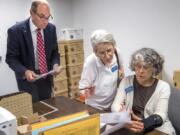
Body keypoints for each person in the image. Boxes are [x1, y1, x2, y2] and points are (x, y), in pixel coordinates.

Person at [6, 0, 61, 102]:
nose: (46, 21)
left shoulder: (51, 29)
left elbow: (54, 52)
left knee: (48, 108)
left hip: (46, 77)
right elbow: (11, 58)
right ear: (31, 13)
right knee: (34, 111)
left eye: (48, 17)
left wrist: (55, 65)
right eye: (42, 16)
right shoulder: (15, 31)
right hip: (28, 80)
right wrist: (25, 71)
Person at [111, 48, 176, 135]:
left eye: (145, 67)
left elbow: (161, 114)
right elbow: (115, 105)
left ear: (154, 68)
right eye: (138, 66)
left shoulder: (163, 87)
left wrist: (143, 124)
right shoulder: (126, 81)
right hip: (132, 126)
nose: (141, 71)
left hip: (158, 129)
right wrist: (121, 112)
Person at [79, 29, 124, 110]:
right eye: (102, 53)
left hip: (113, 103)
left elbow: (121, 73)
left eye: (109, 50)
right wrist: (87, 92)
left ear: (114, 47)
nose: (107, 56)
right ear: (95, 52)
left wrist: (121, 99)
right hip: (95, 107)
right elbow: (82, 89)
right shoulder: (91, 62)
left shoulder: (117, 53)